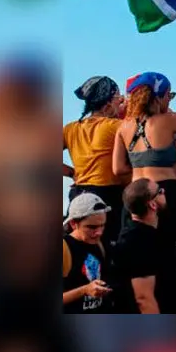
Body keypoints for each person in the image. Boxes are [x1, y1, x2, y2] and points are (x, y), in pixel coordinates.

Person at [112, 72, 176, 249]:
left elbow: (118, 168)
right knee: (170, 249)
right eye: (168, 95)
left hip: (135, 193)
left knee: (137, 249)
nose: (169, 101)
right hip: (165, 192)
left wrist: (142, 164)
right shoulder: (169, 120)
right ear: (158, 97)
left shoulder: (123, 127)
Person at [63, 76, 127, 247]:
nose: (120, 102)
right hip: (107, 196)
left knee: (77, 247)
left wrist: (71, 172)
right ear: (107, 104)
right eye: (118, 98)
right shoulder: (114, 126)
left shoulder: (71, 128)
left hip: (78, 194)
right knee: (106, 249)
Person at [111, 179, 176, 314]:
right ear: (152, 204)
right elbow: (143, 298)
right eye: (160, 191)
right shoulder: (137, 242)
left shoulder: (151, 233)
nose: (164, 192)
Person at [62, 193, 113, 314]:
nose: (99, 232)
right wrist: (84, 290)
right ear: (73, 224)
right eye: (92, 227)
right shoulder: (64, 248)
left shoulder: (101, 244)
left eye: (102, 225)